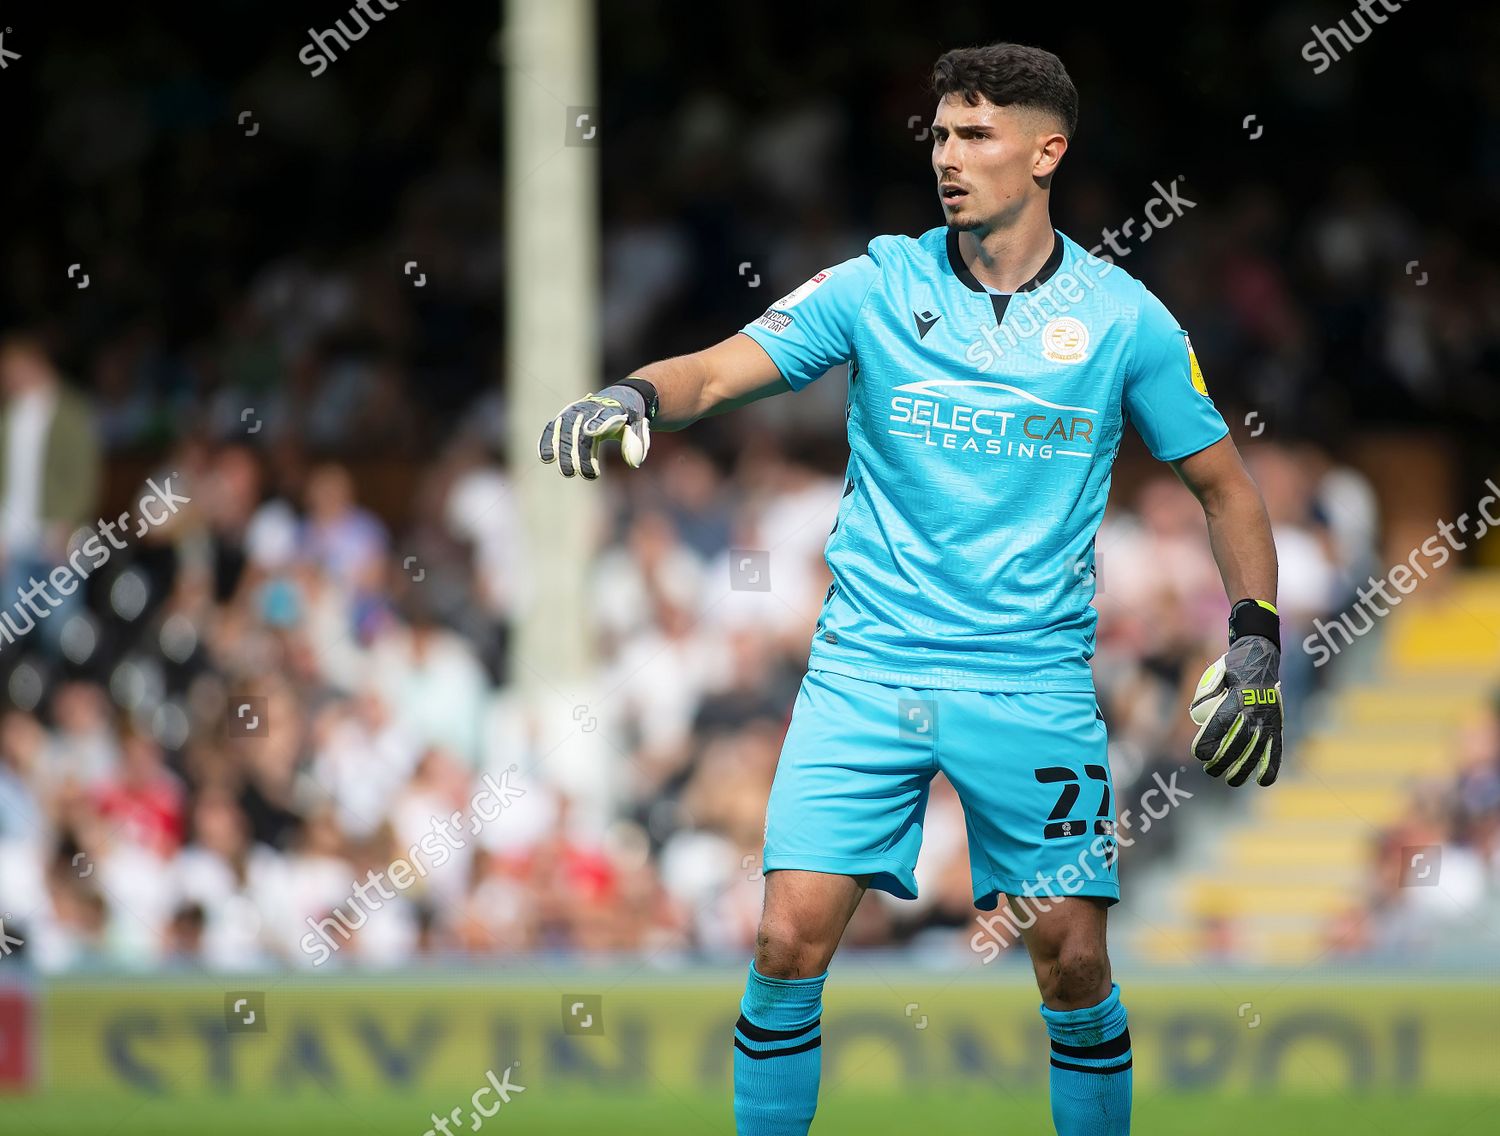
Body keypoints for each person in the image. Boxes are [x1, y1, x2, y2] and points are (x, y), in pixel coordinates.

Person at [538, 42, 1285, 1136]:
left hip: (1030, 679)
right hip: (866, 667)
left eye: (976, 134)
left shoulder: (1124, 319)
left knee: (1072, 959)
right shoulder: (876, 283)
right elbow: (716, 369)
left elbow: (1228, 489)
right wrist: (635, 393)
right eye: (938, 133)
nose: (947, 154)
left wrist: (1256, 637)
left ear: (1046, 152)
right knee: (787, 937)